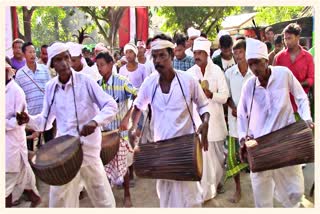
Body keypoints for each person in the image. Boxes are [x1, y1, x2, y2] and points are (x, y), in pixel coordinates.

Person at [16, 42, 118, 207]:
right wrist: (29, 120)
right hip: (64, 156)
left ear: (70, 59)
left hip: (89, 151)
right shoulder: (51, 87)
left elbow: (111, 105)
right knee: (59, 201)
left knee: (102, 199)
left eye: (66, 58)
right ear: (52, 65)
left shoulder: (86, 81)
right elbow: (45, 123)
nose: (63, 63)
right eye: (58, 59)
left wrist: (95, 121)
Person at [129, 34, 210, 207]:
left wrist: (205, 122)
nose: (158, 60)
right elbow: (138, 106)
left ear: (172, 56)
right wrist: (131, 127)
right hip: (161, 150)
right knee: (166, 198)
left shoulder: (188, 81)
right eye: (155, 56)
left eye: (162, 55)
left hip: (186, 149)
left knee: (191, 198)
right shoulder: (149, 83)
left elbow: (203, 105)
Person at [237, 38, 313, 207]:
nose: (255, 68)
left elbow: (301, 97)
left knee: (295, 192)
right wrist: (242, 138)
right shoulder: (249, 86)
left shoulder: (283, 74)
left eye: (257, 63)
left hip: (286, 142)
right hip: (260, 146)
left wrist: (307, 118)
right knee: (261, 196)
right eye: (250, 64)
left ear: (266, 60)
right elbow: (242, 115)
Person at [187, 37, 229, 202]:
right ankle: (206, 192)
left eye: (200, 53)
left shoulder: (217, 71)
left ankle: (216, 182)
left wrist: (211, 94)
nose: (197, 56)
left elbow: (225, 97)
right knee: (203, 159)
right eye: (195, 53)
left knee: (218, 159)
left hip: (216, 122)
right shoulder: (190, 73)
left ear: (207, 54)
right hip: (199, 124)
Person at [96, 51, 138, 207]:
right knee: (105, 165)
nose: (100, 68)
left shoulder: (122, 81)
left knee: (124, 165)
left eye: (102, 65)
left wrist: (128, 115)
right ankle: (108, 196)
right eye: (97, 66)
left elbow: (138, 96)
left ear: (111, 65)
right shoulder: (98, 85)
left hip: (120, 133)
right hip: (104, 133)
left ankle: (127, 194)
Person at [5, 62, 41, 208]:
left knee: (7, 180)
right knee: (23, 175)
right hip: (9, 143)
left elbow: (20, 119)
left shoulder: (16, 91)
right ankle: (34, 198)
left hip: (13, 143)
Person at [224, 39, 252, 203]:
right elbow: (226, 95)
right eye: (235, 53)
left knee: (254, 156)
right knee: (232, 158)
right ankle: (238, 189)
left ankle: (259, 188)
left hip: (253, 126)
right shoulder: (229, 73)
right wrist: (234, 108)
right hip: (235, 125)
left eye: (240, 52)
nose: (237, 56)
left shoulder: (254, 72)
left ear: (247, 52)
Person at [15, 42, 52, 151]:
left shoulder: (45, 69)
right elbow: (19, 96)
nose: (32, 54)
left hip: (46, 115)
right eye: (29, 52)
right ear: (24, 54)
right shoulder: (20, 74)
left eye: (33, 51)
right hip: (30, 116)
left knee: (50, 146)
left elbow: (50, 89)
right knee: (30, 148)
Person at [273, 23, 314, 119]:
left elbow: (311, 79)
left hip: (301, 104)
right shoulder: (278, 57)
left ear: (297, 37)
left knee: (302, 133)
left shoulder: (307, 57)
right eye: (285, 39)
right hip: (283, 106)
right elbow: (273, 78)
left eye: (289, 38)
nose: (287, 41)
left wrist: (296, 85)